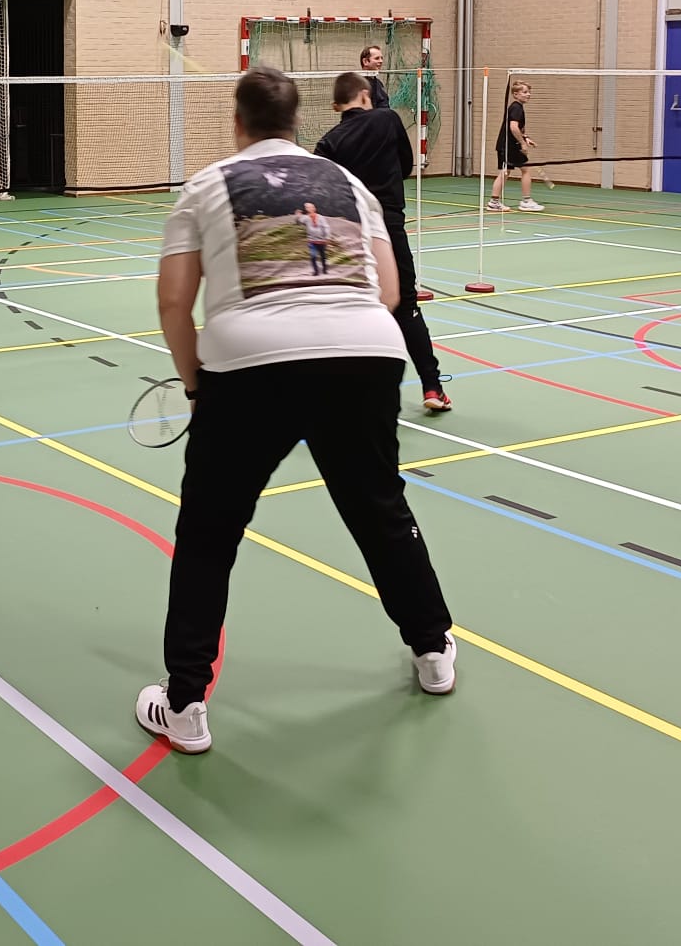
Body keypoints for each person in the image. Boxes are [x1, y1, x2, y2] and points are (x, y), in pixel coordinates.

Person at [137, 66, 458, 755]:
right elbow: (390, 292)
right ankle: (433, 650)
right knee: (379, 509)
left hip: (248, 364)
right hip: (366, 353)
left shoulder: (206, 185)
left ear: (237, 122)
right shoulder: (349, 185)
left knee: (209, 532)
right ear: (296, 122)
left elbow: (173, 300)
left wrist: (195, 383)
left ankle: (185, 703)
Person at [315, 71, 450, 414]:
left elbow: (325, 190)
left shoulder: (328, 143)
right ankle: (432, 387)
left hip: (347, 232)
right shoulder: (387, 120)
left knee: (347, 305)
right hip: (388, 225)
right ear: (365, 95)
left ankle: (343, 392)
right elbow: (405, 165)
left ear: (335, 105)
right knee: (405, 305)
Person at [489, 80, 542, 213]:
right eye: (525, 92)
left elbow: (516, 128)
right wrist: (523, 144)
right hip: (508, 146)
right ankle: (525, 201)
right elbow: (513, 127)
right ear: (516, 94)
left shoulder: (517, 107)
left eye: (529, 92)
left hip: (509, 145)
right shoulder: (516, 107)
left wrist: (525, 138)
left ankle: (495, 202)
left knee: (510, 171)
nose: (528, 94)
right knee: (517, 170)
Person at [298, 203, 331, 276]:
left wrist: (327, 237)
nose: (310, 209)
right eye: (307, 207)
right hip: (312, 241)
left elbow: (326, 227)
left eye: (311, 207)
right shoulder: (306, 218)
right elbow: (299, 222)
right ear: (306, 209)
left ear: (314, 208)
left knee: (323, 256)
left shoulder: (321, 217)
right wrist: (298, 216)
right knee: (313, 256)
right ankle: (316, 271)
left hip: (322, 241)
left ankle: (325, 269)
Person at [359, 44, 391, 110]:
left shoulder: (379, 83)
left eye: (381, 58)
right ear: (365, 61)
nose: (381, 61)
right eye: (377, 58)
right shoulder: (358, 85)